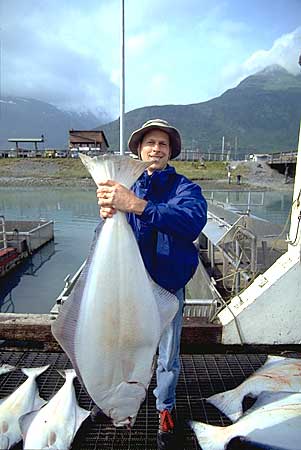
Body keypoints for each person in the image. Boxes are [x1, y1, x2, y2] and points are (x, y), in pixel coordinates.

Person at [96, 119, 207, 449]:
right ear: (139, 150)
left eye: (163, 144)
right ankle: (123, 398)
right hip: (129, 287)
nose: (156, 148)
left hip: (168, 287)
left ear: (170, 151)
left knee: (167, 356)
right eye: (150, 143)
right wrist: (109, 212)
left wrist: (138, 206)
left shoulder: (185, 188)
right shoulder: (125, 187)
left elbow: (190, 222)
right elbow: (107, 235)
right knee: (123, 347)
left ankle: (165, 409)